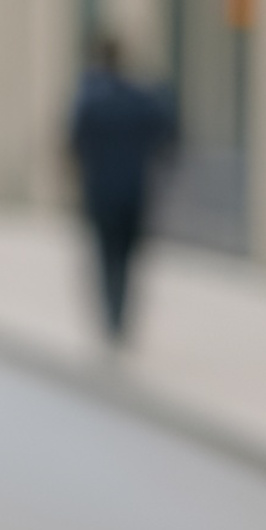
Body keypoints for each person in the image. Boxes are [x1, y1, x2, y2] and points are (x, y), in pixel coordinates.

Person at [69, 34, 177, 341]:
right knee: (128, 257)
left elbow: (73, 144)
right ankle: (120, 316)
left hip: (101, 193)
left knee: (107, 256)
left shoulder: (90, 99)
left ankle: (112, 316)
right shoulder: (139, 97)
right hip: (134, 191)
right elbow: (167, 132)